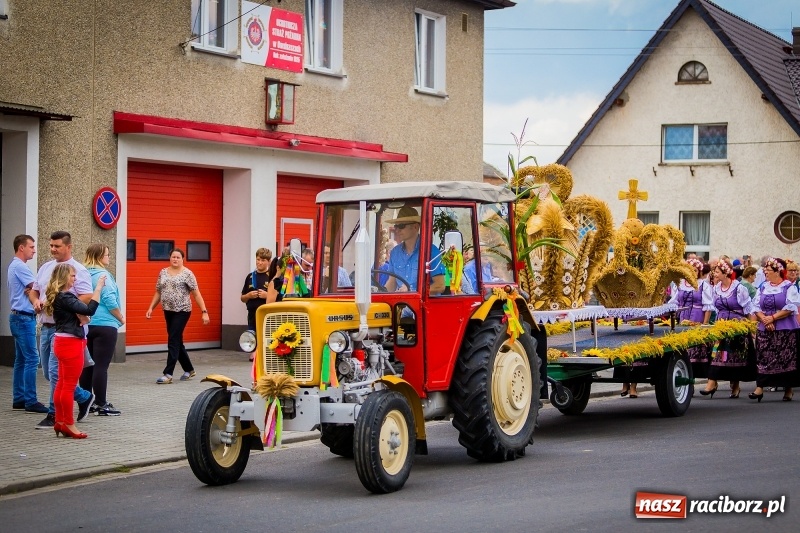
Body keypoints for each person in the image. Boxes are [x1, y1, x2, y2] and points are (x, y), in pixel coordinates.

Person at [30, 231, 96, 429]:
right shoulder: (46, 267)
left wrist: (58, 304)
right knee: (49, 374)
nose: (53, 249)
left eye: (57, 246)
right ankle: (83, 396)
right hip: (46, 326)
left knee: (55, 373)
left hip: (66, 329)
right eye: (51, 245)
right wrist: (35, 301)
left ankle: (54, 414)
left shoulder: (78, 270)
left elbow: (86, 296)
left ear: (69, 247)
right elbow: (34, 291)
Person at [44, 263, 105, 439]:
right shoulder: (65, 297)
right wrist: (98, 288)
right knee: (69, 386)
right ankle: (69, 424)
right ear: (64, 277)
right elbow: (90, 309)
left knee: (62, 384)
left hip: (61, 341)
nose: (74, 278)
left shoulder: (58, 296)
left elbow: (79, 314)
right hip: (71, 343)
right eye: (72, 275)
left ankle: (60, 422)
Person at [146, 248, 210, 384]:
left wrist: (204, 311)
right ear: (170, 258)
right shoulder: (163, 272)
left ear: (182, 259)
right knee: (177, 341)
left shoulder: (187, 274)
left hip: (182, 311)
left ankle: (168, 374)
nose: (175, 259)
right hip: (168, 310)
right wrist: (151, 307)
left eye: (178, 257)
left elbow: (196, 294)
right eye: (173, 257)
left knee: (173, 339)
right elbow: (158, 292)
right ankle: (189, 369)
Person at [78, 244, 124, 416]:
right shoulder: (103, 275)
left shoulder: (82, 274)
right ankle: (101, 404)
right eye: (107, 255)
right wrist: (120, 317)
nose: (109, 257)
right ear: (99, 257)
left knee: (87, 366)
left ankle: (86, 402)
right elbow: (110, 299)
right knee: (100, 366)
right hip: (105, 325)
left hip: (87, 324)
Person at [702, 259, 756, 399]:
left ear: (725, 273)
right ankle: (711, 383)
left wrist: (750, 328)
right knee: (716, 355)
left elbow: (748, 309)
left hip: (736, 326)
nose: (715, 274)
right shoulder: (716, 288)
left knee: (735, 356)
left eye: (717, 272)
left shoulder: (739, 288)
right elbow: (715, 308)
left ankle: (735, 385)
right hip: (721, 326)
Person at [749, 257, 800, 402]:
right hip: (765, 328)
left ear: (777, 271)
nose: (765, 272)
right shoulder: (763, 287)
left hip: (785, 329)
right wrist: (764, 319)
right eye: (765, 270)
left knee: (786, 359)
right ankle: (760, 387)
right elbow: (755, 306)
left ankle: (788, 388)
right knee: (763, 357)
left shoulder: (788, 287)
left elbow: (791, 307)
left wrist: (773, 318)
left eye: (768, 270)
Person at [8, 234, 48, 413]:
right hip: (24, 318)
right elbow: (37, 287)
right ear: (21, 247)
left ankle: (19, 398)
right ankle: (30, 400)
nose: (34, 250)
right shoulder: (20, 266)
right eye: (31, 247)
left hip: (18, 317)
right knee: (32, 359)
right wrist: (35, 290)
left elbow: (32, 288)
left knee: (21, 360)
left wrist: (32, 290)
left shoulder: (14, 265)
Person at [383, 206, 444, 293]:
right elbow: (392, 283)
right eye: (396, 226)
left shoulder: (431, 251)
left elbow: (440, 286)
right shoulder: (395, 252)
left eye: (401, 226)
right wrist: (380, 293)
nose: (397, 230)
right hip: (401, 302)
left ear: (415, 227)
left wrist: (413, 291)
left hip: (422, 302)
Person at [241, 248, 272, 330]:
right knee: (251, 337)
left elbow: (279, 298)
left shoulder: (272, 277)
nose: (259, 262)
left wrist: (267, 296)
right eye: (258, 259)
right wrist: (248, 296)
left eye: (263, 260)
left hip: (268, 316)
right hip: (252, 317)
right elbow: (242, 298)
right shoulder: (250, 276)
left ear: (269, 261)